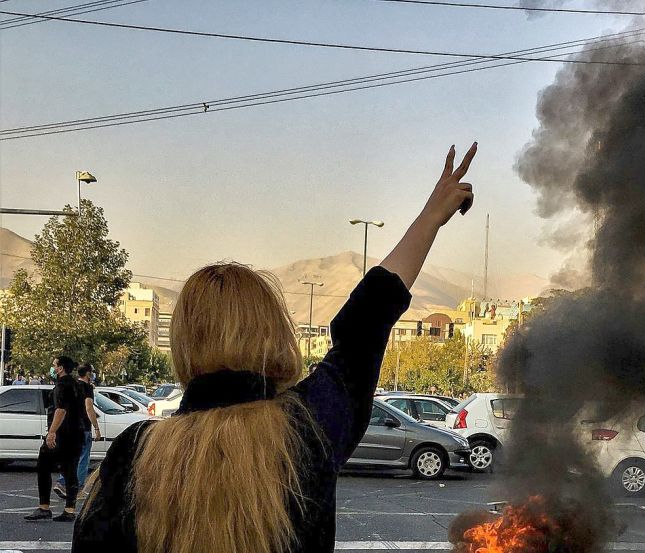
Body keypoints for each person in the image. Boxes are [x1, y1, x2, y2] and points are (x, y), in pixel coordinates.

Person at [74, 143, 478, 552]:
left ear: (183, 342)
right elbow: (364, 324)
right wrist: (430, 218)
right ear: (273, 332)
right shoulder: (308, 428)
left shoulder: (135, 454)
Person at [24, 356, 86, 522]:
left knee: (43, 465)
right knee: (70, 471)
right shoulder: (77, 385)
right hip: (76, 434)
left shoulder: (61, 386)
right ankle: (69, 510)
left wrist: (51, 432)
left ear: (60, 368)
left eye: (54, 365)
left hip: (62, 435)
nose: (52, 368)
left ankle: (44, 507)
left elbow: (61, 410)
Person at [54, 363, 101, 500]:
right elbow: (88, 407)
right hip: (83, 428)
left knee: (70, 457)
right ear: (87, 373)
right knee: (83, 458)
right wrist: (96, 427)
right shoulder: (87, 388)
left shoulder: (73, 385)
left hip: (70, 426)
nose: (92, 374)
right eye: (91, 372)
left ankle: (62, 482)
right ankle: (78, 488)